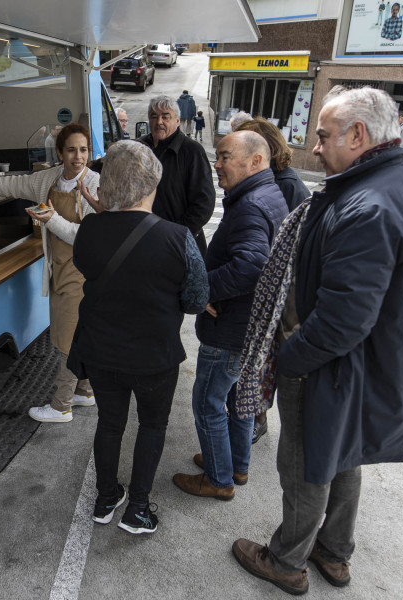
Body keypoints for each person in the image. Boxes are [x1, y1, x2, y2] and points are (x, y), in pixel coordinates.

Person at [231, 86, 403, 595]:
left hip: (332, 364)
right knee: (343, 454)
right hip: (369, 364)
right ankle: (334, 550)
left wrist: (291, 358)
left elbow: (344, 318)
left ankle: (286, 560)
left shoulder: (368, 204)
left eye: (325, 137)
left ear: (358, 134)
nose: (316, 148)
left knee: (304, 465)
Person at [67, 140, 209, 534]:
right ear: (153, 182)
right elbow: (197, 300)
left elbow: (89, 261)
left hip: (100, 351)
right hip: (155, 356)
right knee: (151, 425)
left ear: (106, 184)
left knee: (110, 423)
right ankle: (139, 510)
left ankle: (105, 497)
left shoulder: (89, 230)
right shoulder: (179, 237)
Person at [0, 124, 100, 423]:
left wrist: (52, 219)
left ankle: (61, 407)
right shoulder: (49, 180)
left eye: (83, 150)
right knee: (74, 332)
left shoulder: (94, 184)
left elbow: (88, 237)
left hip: (84, 271)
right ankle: (84, 391)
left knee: (67, 338)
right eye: (71, 149)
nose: (78, 156)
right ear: (60, 153)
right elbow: (12, 184)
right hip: (59, 268)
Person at [172, 131, 287, 501]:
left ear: (255, 161)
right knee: (238, 400)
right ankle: (236, 464)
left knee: (207, 401)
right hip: (247, 326)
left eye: (224, 156)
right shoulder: (267, 194)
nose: (216, 165)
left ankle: (219, 479)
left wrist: (203, 289)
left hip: (230, 327)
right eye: (217, 156)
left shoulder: (251, 205)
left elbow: (252, 266)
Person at [233, 117, 310, 444]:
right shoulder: (271, 180)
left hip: (277, 293)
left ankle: (256, 420)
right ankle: (250, 418)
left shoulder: (288, 184)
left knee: (262, 362)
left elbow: (291, 245)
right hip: (263, 287)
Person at [138, 96, 215, 255]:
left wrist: (176, 233)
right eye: (154, 116)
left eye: (166, 117)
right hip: (142, 240)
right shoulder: (138, 148)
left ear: (178, 121)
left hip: (179, 245)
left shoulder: (192, 151)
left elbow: (204, 204)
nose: (159, 121)